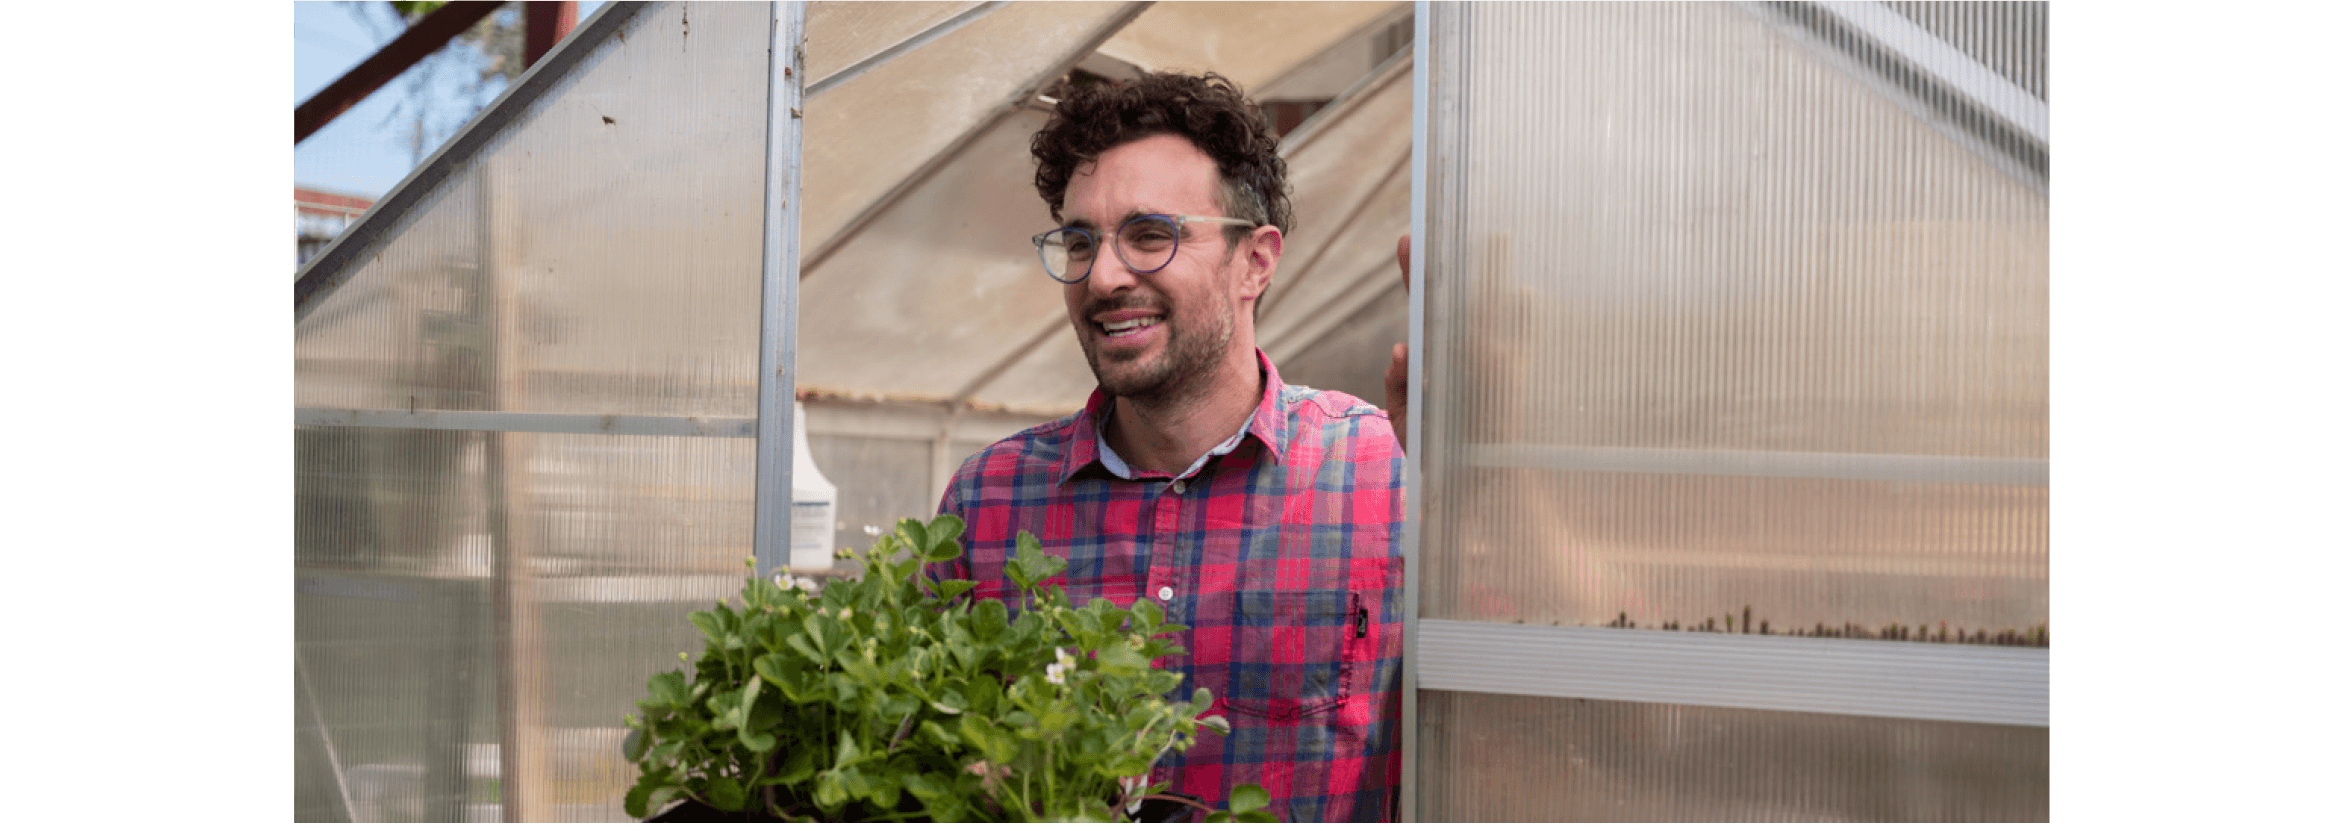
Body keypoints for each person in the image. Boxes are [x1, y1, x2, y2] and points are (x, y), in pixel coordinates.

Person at [925, 71, 1410, 822]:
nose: (1104, 276)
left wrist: (1484, 464)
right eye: (1080, 241)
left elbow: (1563, 668)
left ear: (1255, 261)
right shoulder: (991, 501)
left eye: (1150, 235)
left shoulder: (1383, 473)